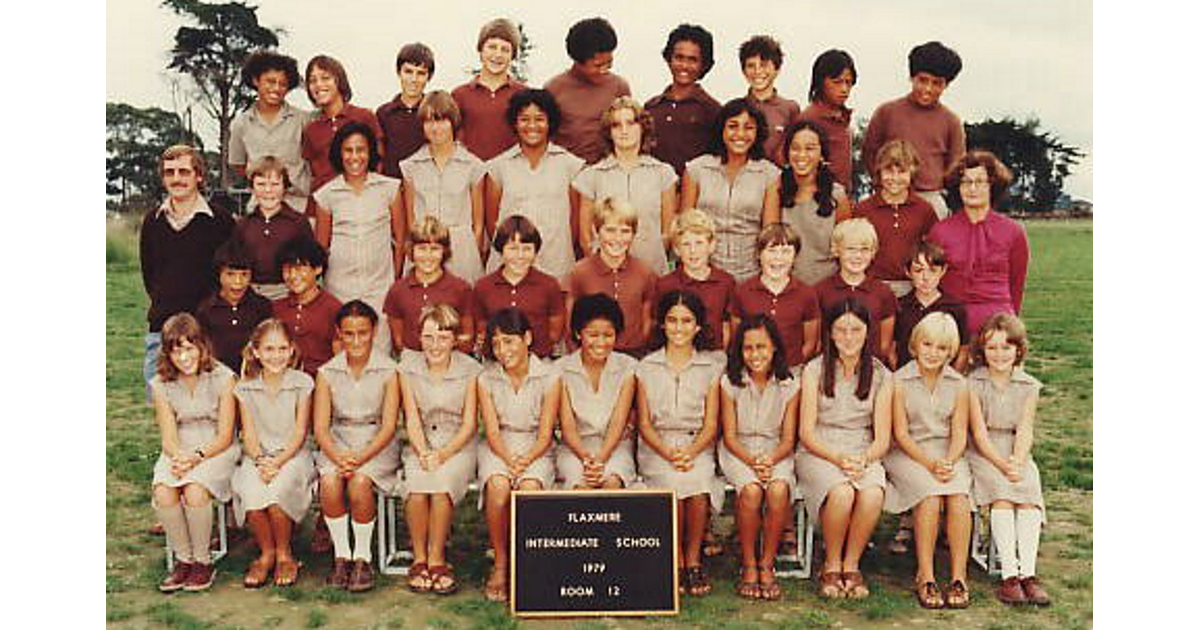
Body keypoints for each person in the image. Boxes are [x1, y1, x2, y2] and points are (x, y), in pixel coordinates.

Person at [795, 298, 893, 600]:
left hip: (862, 449)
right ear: (831, 333)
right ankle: (831, 563)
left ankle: (852, 564)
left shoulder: (880, 374)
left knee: (873, 492)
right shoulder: (814, 371)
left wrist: (864, 459)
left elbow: (882, 439)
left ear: (867, 332)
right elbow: (806, 432)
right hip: (820, 450)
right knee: (841, 492)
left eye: (856, 329)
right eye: (841, 330)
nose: (848, 337)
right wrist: (837, 458)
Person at [635, 290, 725, 596]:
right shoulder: (646, 367)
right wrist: (667, 453)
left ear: (698, 326)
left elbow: (711, 423)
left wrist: (690, 452)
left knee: (697, 481)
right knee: (671, 484)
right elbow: (644, 424)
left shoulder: (710, 368)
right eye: (672, 320)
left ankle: (692, 561)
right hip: (657, 446)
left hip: (695, 444)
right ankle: (671, 561)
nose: (678, 328)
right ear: (662, 324)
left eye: (686, 321)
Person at [882, 313, 972, 608]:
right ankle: (926, 573)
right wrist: (929, 464)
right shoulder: (899, 381)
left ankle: (959, 576)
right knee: (930, 495)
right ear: (915, 344)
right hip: (908, 453)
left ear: (951, 351)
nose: (933, 353)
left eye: (942, 348)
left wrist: (948, 460)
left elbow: (959, 433)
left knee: (958, 495)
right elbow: (900, 433)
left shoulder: (959, 384)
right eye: (928, 344)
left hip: (947, 453)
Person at [313, 300, 400, 593]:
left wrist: (359, 458)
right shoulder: (327, 372)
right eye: (348, 334)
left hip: (376, 442)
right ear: (339, 333)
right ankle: (342, 555)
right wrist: (339, 457)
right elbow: (321, 427)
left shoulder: (389, 370)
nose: (356, 341)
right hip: (339, 440)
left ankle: (363, 556)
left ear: (374, 331)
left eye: (363, 333)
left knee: (361, 482)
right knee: (329, 481)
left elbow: (389, 426)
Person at [477, 308, 562, 602]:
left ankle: (528, 563)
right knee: (498, 488)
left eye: (510, 341)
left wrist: (525, 461)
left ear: (527, 338)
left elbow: (546, 433)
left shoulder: (550, 377)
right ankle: (501, 563)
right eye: (497, 343)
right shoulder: (486, 379)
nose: (503, 350)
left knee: (529, 490)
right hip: (500, 446)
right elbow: (492, 431)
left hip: (535, 447)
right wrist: (509, 460)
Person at [965, 313, 1050, 607]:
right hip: (984, 450)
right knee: (1002, 497)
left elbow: (1025, 428)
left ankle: (1028, 573)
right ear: (982, 350)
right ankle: (1009, 577)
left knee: (1027, 494)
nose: (999, 354)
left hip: (1014, 449)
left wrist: (1018, 460)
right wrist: (1002, 465)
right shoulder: (973, 383)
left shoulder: (1028, 386)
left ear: (1018, 350)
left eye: (1006, 347)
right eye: (992, 348)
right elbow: (977, 432)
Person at [397, 305, 483, 595]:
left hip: (456, 444)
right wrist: (423, 452)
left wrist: (443, 455)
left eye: (443, 337)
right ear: (419, 337)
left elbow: (470, 424)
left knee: (442, 481)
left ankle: (438, 558)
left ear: (455, 339)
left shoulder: (471, 370)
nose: (436, 345)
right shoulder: (407, 368)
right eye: (429, 337)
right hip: (421, 441)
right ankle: (419, 558)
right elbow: (411, 417)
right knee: (418, 483)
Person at [150, 313, 239, 592]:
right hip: (180, 448)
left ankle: (202, 561)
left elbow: (226, 435)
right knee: (164, 490)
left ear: (202, 346)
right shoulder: (160, 384)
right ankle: (183, 559)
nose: (184, 357)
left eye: (189, 348)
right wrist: (179, 458)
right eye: (176, 350)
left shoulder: (224, 377)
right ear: (167, 353)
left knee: (195, 491)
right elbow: (168, 436)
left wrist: (196, 458)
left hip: (214, 448)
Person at [140, 144, 236, 400]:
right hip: (162, 327)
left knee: (209, 407)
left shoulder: (220, 221)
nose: (177, 178)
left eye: (184, 171)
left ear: (199, 176)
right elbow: (150, 275)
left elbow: (229, 274)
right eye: (169, 172)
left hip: (207, 329)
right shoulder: (153, 221)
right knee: (166, 407)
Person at [230, 319, 315, 588]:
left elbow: (300, 432)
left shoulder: (303, 383)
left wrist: (278, 462)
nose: (275, 356)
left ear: (292, 350)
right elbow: (249, 435)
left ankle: (284, 554)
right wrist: (261, 461)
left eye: (281, 348)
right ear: (255, 351)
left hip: (293, 456)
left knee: (278, 492)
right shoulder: (245, 387)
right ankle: (265, 553)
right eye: (268, 349)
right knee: (252, 490)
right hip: (259, 456)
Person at [718, 315, 799, 601]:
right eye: (748, 348)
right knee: (751, 491)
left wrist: (770, 461)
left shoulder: (789, 384)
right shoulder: (730, 383)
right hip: (739, 451)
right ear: (740, 351)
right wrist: (754, 462)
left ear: (774, 347)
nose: (755, 355)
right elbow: (729, 436)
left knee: (778, 489)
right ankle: (749, 563)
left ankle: (767, 563)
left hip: (777, 451)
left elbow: (789, 439)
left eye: (762, 347)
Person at [313, 121, 405, 354]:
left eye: (361, 149)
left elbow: (401, 240)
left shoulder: (390, 189)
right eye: (348, 150)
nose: (355, 157)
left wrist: (393, 283)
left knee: (379, 357)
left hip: (380, 290)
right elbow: (321, 249)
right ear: (339, 153)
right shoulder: (326, 195)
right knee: (345, 356)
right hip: (340, 290)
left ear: (371, 152)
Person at [485, 89, 584, 282]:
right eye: (524, 119)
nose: (532, 126)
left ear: (550, 122)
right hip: (508, 268)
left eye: (539, 119)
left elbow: (575, 223)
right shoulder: (498, 167)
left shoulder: (571, 166)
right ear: (515, 122)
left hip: (556, 266)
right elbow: (492, 223)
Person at [927, 150, 1029, 338]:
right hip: (953, 325)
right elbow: (933, 284)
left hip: (999, 328)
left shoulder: (1013, 231)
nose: (972, 188)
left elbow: (1017, 285)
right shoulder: (940, 231)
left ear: (993, 185)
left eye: (980, 182)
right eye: (966, 182)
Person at [573, 95, 678, 274]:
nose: (624, 130)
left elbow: (667, 232)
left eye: (631, 123)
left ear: (642, 127)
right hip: (604, 274)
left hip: (651, 271)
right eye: (616, 125)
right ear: (609, 132)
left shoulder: (663, 174)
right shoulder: (591, 176)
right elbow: (586, 236)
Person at [861, 41, 966, 219]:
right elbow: (869, 154)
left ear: (946, 85)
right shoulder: (887, 112)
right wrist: (885, 185)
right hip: (889, 194)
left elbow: (956, 168)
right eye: (922, 80)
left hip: (930, 197)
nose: (927, 89)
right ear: (911, 77)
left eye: (936, 83)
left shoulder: (951, 121)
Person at [681, 98, 782, 282]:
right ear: (722, 130)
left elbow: (769, 234)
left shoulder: (770, 174)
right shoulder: (696, 169)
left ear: (758, 132)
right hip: (703, 272)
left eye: (749, 127)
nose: (740, 134)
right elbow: (685, 228)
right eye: (733, 126)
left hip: (750, 274)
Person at [399, 90, 487, 283]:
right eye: (429, 121)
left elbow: (478, 224)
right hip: (424, 250)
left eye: (441, 121)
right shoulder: (410, 166)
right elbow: (411, 220)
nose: (435, 128)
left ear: (453, 122)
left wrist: (472, 252)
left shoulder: (474, 165)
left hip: (462, 249)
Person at [556, 293, 637, 490]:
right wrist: (586, 459)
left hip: (615, 446)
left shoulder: (628, 367)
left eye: (608, 335)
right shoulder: (560, 369)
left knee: (612, 483)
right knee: (579, 485)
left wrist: (601, 459)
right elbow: (567, 426)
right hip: (575, 448)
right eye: (592, 335)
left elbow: (619, 421)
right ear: (578, 333)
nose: (601, 342)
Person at [565, 198, 657, 356]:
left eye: (625, 231)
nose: (617, 238)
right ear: (596, 231)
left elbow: (647, 320)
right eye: (610, 230)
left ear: (634, 234)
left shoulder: (645, 272)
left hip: (633, 355)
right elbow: (569, 324)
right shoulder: (579, 272)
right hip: (591, 354)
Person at [853, 139, 939, 297]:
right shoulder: (863, 210)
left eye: (902, 172)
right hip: (872, 287)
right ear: (879, 171)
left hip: (913, 288)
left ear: (912, 172)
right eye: (889, 171)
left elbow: (934, 252)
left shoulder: (924, 209)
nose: (895, 178)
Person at [229, 51, 311, 212]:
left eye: (283, 84)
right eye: (270, 82)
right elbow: (238, 164)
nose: (276, 88)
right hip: (259, 206)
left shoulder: (303, 120)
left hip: (297, 205)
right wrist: (262, 182)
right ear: (255, 80)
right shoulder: (241, 123)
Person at [473, 215, 567, 358]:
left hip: (538, 361)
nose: (520, 256)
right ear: (501, 250)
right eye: (513, 249)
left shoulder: (549, 285)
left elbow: (555, 331)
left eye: (527, 249)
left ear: (536, 251)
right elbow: (481, 327)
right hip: (497, 363)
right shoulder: (484, 286)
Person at [732, 223, 820, 370]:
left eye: (785, 251)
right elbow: (737, 338)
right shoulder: (742, 292)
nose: (778, 258)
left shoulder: (806, 294)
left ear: (795, 256)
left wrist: (790, 368)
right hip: (753, 371)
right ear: (759, 254)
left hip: (791, 372)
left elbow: (810, 342)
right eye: (771, 251)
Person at [543, 17, 631, 164]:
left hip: (609, 174)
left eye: (609, 63)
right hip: (566, 176)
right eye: (597, 65)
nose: (604, 70)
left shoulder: (619, 87)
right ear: (577, 61)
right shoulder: (554, 90)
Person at [384, 216, 476, 355]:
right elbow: (398, 340)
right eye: (422, 248)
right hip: (413, 364)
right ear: (411, 250)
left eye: (434, 249)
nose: (428, 256)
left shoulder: (461, 288)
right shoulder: (397, 290)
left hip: (450, 363)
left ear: (444, 251)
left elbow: (467, 337)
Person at [301, 55, 385, 204]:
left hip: (361, 203)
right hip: (323, 207)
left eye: (325, 78)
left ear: (339, 80)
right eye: (312, 80)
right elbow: (314, 172)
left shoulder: (364, 116)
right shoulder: (311, 129)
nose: (318, 85)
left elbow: (378, 161)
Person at [814, 218, 898, 365]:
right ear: (836, 250)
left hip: (871, 369)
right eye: (851, 249)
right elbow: (817, 342)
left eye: (864, 249)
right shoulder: (820, 291)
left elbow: (885, 344)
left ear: (873, 252)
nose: (858, 256)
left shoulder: (883, 292)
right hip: (830, 369)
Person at [232, 156, 316, 300]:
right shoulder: (244, 225)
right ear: (252, 188)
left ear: (285, 187)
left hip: (287, 292)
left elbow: (310, 262)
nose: (268, 190)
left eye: (275, 184)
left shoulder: (298, 222)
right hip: (251, 293)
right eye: (261, 184)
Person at [779, 121, 852, 286]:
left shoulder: (837, 196)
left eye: (810, 148)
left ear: (822, 155)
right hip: (786, 288)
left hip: (827, 289)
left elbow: (845, 250)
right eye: (795, 148)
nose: (801, 155)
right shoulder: (777, 191)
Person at [645, 23, 722, 176]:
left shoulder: (713, 110)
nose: (684, 66)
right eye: (679, 58)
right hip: (654, 193)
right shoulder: (651, 108)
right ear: (669, 59)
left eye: (693, 60)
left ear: (703, 65)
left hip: (695, 194)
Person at [655, 210, 736, 348]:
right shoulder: (665, 284)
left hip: (714, 357)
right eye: (686, 244)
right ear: (677, 250)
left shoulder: (726, 282)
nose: (693, 250)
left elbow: (727, 327)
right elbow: (660, 327)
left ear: (711, 245)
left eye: (699, 243)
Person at [452, 17, 527, 162]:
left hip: (512, 178)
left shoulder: (524, 95)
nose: (498, 55)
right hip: (471, 179)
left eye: (505, 49)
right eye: (492, 47)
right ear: (480, 50)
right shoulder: (459, 95)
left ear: (513, 56)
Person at [196, 239, 273, 372]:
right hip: (217, 377)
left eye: (244, 275)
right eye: (230, 274)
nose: (238, 282)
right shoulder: (206, 309)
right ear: (219, 275)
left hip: (254, 376)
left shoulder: (262, 307)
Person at [271, 237, 342, 377]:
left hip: (322, 383)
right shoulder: (276, 308)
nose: (292, 276)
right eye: (287, 270)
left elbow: (340, 359)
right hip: (284, 383)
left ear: (318, 269)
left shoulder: (334, 308)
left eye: (299, 269)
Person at [894, 240, 969, 372]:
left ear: (943, 270)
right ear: (907, 271)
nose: (925, 277)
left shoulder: (955, 308)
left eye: (932, 270)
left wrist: (951, 381)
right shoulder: (899, 307)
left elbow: (962, 351)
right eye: (918, 270)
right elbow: (891, 348)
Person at [797, 49, 857, 193]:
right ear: (820, 82)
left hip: (843, 199)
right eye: (837, 82)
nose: (844, 89)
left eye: (848, 83)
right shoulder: (809, 119)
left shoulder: (842, 117)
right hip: (819, 200)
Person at [739, 35, 801, 166]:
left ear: (777, 69)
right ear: (743, 71)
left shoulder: (790, 109)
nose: (757, 71)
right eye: (751, 66)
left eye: (764, 65)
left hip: (778, 182)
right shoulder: (735, 108)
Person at [377, 43, 436, 178]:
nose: (414, 80)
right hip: (393, 189)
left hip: (427, 189)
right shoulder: (383, 114)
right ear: (399, 72)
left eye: (421, 73)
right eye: (408, 72)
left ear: (429, 76)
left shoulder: (434, 112)